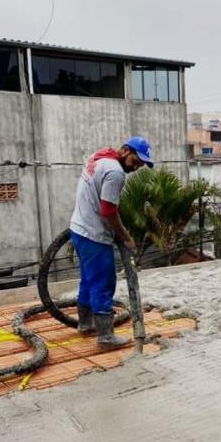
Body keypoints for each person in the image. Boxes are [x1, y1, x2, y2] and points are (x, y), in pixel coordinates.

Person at [70, 136, 153, 348]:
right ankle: (105, 337)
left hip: (78, 229)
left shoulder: (99, 157)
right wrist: (125, 237)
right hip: (94, 235)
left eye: (140, 165)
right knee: (103, 283)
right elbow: (108, 211)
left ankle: (85, 324)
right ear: (125, 150)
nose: (136, 168)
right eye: (135, 161)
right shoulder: (115, 172)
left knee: (88, 280)